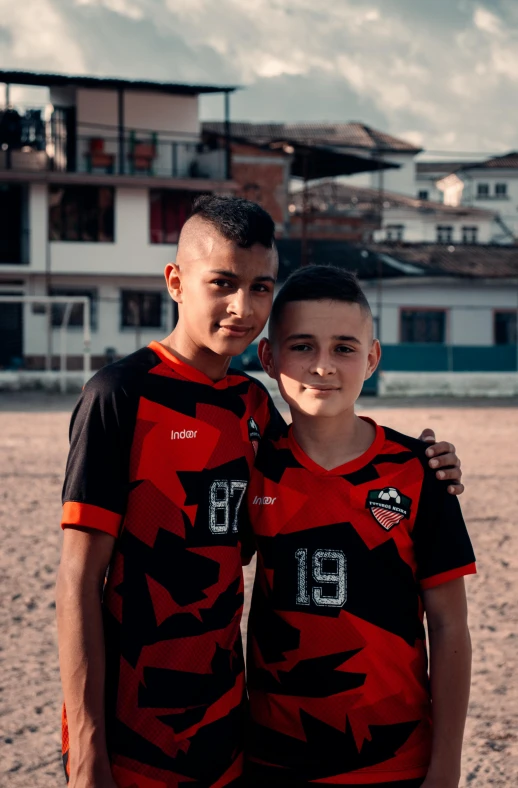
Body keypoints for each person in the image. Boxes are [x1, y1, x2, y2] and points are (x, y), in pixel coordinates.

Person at [56, 197, 464, 788]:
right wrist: (89, 745)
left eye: (260, 287)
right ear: (175, 280)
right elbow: (76, 579)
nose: (241, 307)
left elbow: (300, 488)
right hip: (131, 727)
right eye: (222, 283)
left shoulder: (250, 408)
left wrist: (432, 462)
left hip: (228, 729)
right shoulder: (120, 394)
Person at [246, 265, 476, 788]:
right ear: (268, 356)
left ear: (372, 358)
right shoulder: (254, 462)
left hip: (394, 758)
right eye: (302, 346)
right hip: (273, 756)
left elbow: (449, 627)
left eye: (344, 348)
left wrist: (446, 767)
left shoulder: (421, 471)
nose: (323, 366)